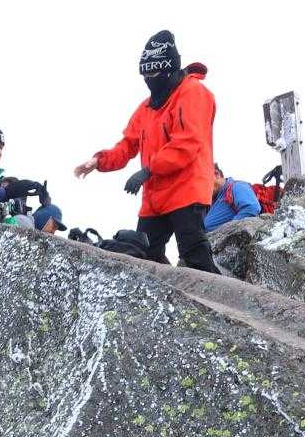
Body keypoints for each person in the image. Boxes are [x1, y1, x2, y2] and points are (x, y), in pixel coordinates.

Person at [73, 30, 221, 273]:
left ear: (169, 70)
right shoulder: (146, 108)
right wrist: (99, 161)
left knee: (193, 251)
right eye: (145, 74)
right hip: (155, 197)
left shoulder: (194, 93)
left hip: (187, 188)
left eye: (153, 74)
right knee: (143, 254)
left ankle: (222, 295)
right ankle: (169, 294)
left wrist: (148, 170)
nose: (149, 79)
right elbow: (127, 144)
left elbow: (187, 143)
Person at [204, 164, 263, 230]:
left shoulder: (237, 186)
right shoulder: (213, 200)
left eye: (203, 182)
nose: (201, 189)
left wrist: (225, 232)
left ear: (216, 174)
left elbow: (251, 208)